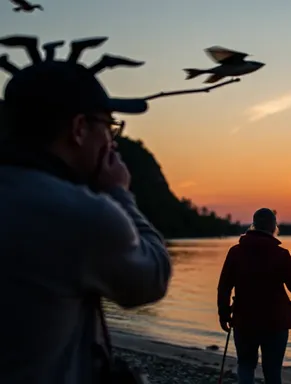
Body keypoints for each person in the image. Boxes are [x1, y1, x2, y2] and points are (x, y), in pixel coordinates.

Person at [0, 60, 172, 382]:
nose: (112, 141)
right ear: (79, 129)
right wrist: (119, 195)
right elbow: (153, 275)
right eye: (109, 127)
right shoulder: (81, 215)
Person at [217, 208, 291, 384]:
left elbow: (224, 287)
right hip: (276, 323)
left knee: (245, 365)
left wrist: (224, 314)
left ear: (254, 225)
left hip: (244, 320)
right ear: (273, 226)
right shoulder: (281, 254)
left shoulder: (236, 252)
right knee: (272, 372)